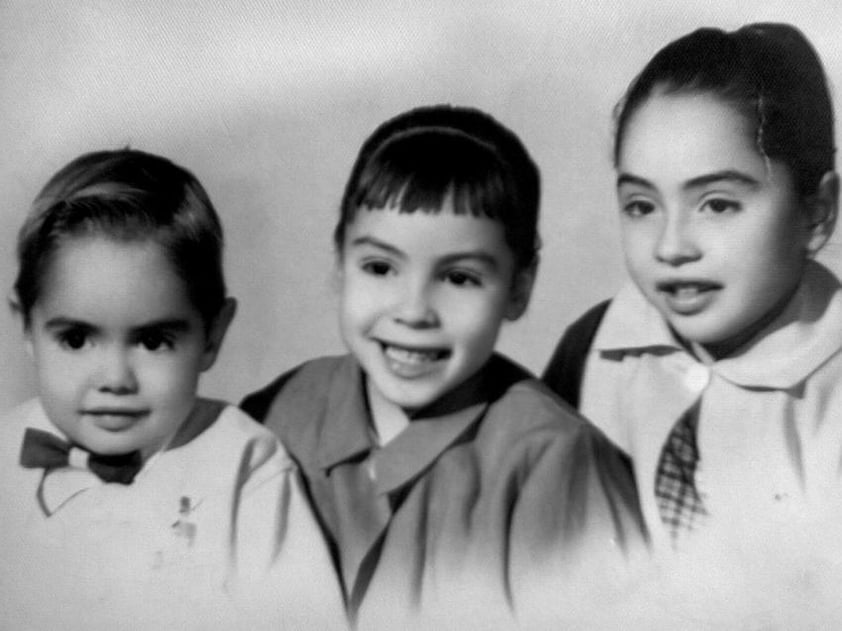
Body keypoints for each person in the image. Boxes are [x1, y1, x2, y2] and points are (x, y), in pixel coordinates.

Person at [242, 105, 647, 629]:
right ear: (339, 262)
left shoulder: (554, 462)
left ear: (519, 287)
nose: (413, 312)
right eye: (380, 267)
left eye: (458, 278)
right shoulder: (276, 414)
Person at [543, 22, 842, 625]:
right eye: (642, 206)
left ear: (817, 213)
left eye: (718, 205)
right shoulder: (594, 347)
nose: (672, 246)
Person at [0, 149, 345, 630]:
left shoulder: (244, 462)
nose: (115, 379)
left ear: (213, 335)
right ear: (26, 329)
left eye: (153, 341)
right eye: (76, 339)